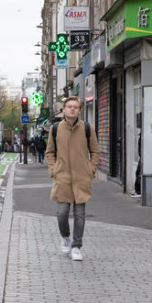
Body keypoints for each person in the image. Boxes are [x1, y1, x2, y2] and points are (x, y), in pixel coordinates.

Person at [46, 96, 100, 261]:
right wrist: (53, 169)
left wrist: (91, 169)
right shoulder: (55, 129)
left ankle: (76, 247)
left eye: (75, 107)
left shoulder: (87, 128)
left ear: (79, 110)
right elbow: (50, 152)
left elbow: (95, 152)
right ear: (64, 109)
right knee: (62, 213)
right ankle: (65, 236)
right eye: (69, 106)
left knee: (79, 214)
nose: (72, 109)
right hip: (62, 177)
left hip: (81, 177)